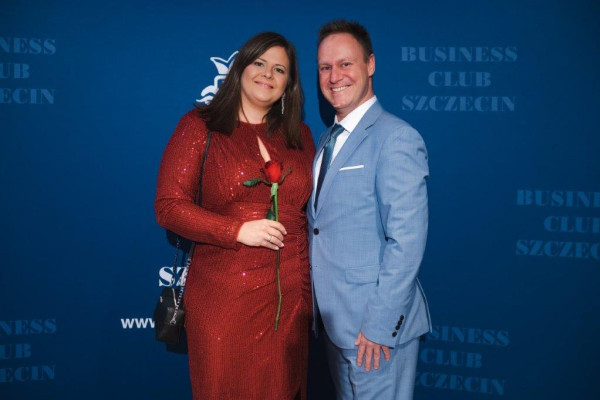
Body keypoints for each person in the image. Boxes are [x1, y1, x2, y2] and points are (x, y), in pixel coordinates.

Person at [155, 32, 315, 399]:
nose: (268, 74)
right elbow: (168, 206)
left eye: (280, 69)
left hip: (291, 299)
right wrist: (236, 230)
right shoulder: (200, 125)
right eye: (259, 63)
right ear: (239, 68)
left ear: (289, 84)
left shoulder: (301, 136)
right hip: (225, 299)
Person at [308, 20, 431, 399]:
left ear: (371, 64)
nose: (335, 77)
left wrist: (379, 326)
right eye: (325, 67)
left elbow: (406, 241)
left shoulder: (396, 137)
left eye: (346, 64)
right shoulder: (327, 139)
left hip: (373, 334)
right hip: (335, 326)